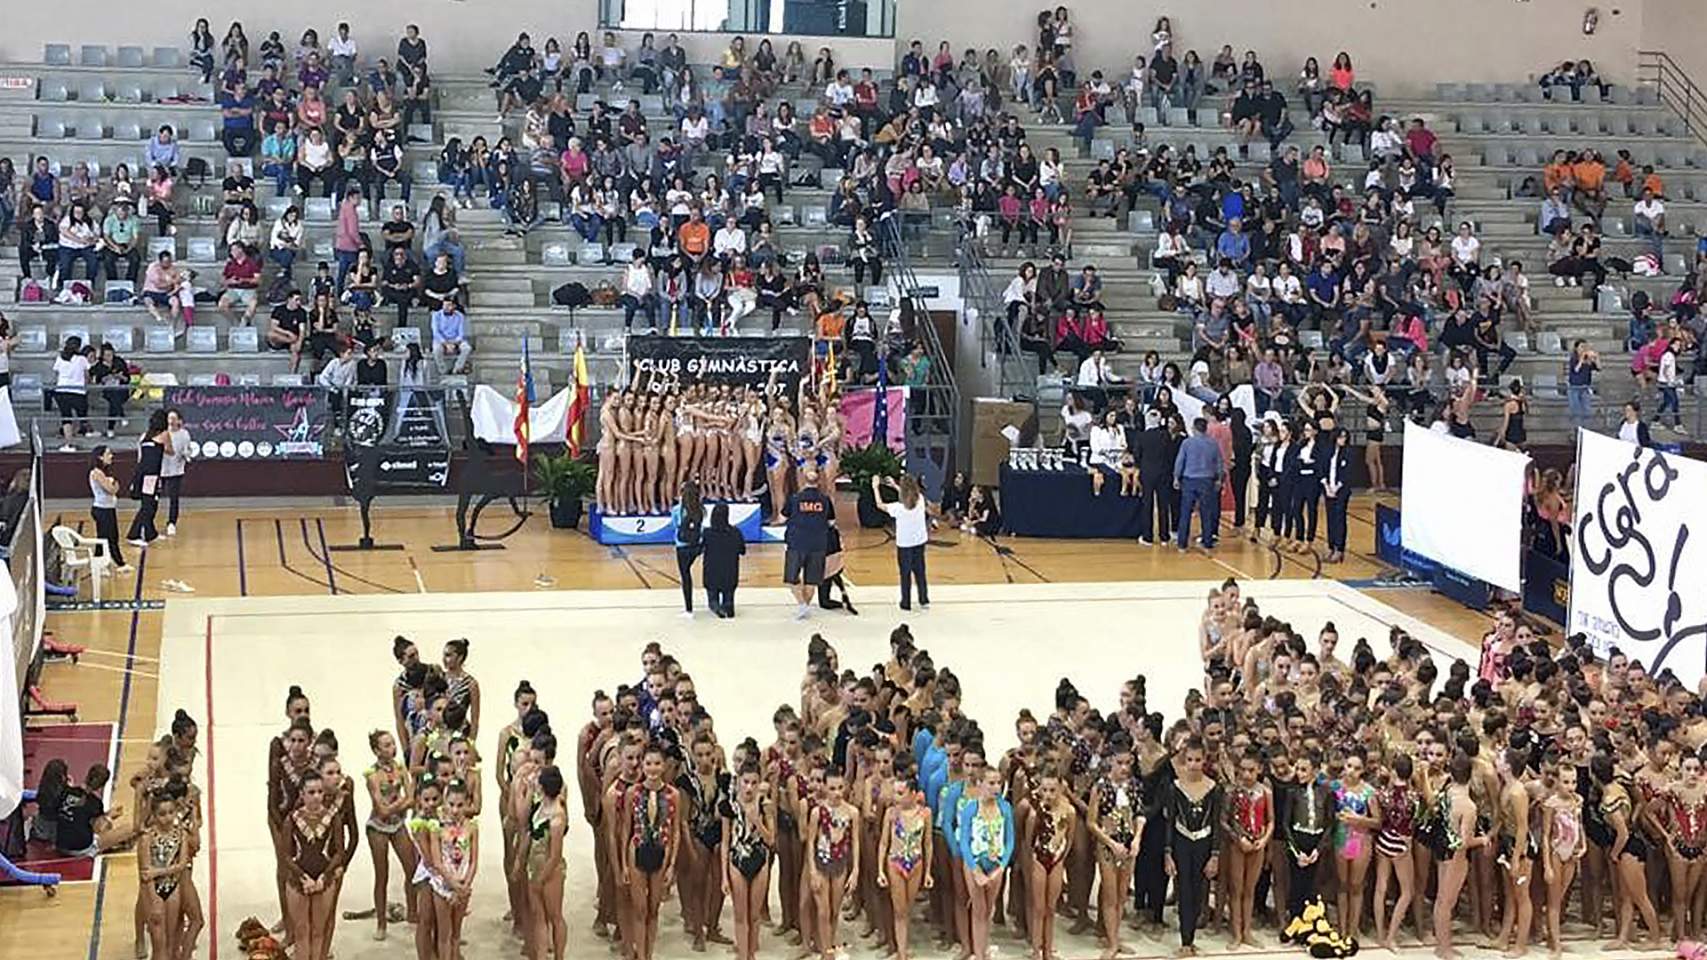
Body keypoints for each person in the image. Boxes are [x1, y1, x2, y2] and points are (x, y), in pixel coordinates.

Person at [872, 473, 931, 611]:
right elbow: (910, 494)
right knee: (920, 572)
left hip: (905, 544)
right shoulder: (921, 500)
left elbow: (879, 505)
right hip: (919, 541)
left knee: (905, 574)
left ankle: (906, 602)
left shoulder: (898, 508)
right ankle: (924, 600)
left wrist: (875, 488)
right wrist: (894, 486)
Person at [782, 466, 834, 620]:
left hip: (797, 543)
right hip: (818, 544)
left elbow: (783, 517)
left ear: (803, 479)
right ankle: (804, 607)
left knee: (791, 578)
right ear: (819, 481)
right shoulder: (825, 500)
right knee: (811, 580)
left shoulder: (795, 498)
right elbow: (831, 522)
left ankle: (802, 606)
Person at [1173, 417, 1225, 551]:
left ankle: (1182, 543)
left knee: (1185, 512)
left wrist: (1176, 477)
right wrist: (1219, 479)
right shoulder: (1213, 444)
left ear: (1194, 428)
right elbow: (1219, 463)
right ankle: (1207, 541)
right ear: (1206, 428)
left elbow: (1180, 461)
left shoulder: (1187, 443)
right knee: (1206, 512)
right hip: (1207, 480)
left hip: (1189, 480)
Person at [127, 409, 170, 548]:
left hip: (142, 472)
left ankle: (151, 533)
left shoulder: (144, 436)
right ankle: (133, 534)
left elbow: (140, 457)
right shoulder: (164, 435)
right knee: (148, 505)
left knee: (150, 503)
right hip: (151, 476)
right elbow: (170, 451)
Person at [700, 502, 745, 618]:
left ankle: (715, 605)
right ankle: (728, 605)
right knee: (729, 594)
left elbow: (699, 549)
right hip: (730, 574)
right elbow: (742, 551)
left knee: (712, 596)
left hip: (711, 574)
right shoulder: (735, 532)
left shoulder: (707, 533)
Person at [89, 445, 130, 572]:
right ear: (100, 457)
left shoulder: (105, 472)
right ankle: (119, 563)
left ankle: (100, 563)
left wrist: (114, 485)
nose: (111, 456)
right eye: (108, 454)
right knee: (108, 538)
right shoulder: (97, 472)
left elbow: (115, 487)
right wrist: (114, 485)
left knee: (107, 537)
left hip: (108, 509)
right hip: (102, 510)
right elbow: (111, 489)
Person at [671, 480, 704, 617]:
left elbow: (675, 526)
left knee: (686, 576)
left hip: (682, 546)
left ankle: (689, 610)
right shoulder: (701, 509)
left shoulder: (677, 510)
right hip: (697, 546)